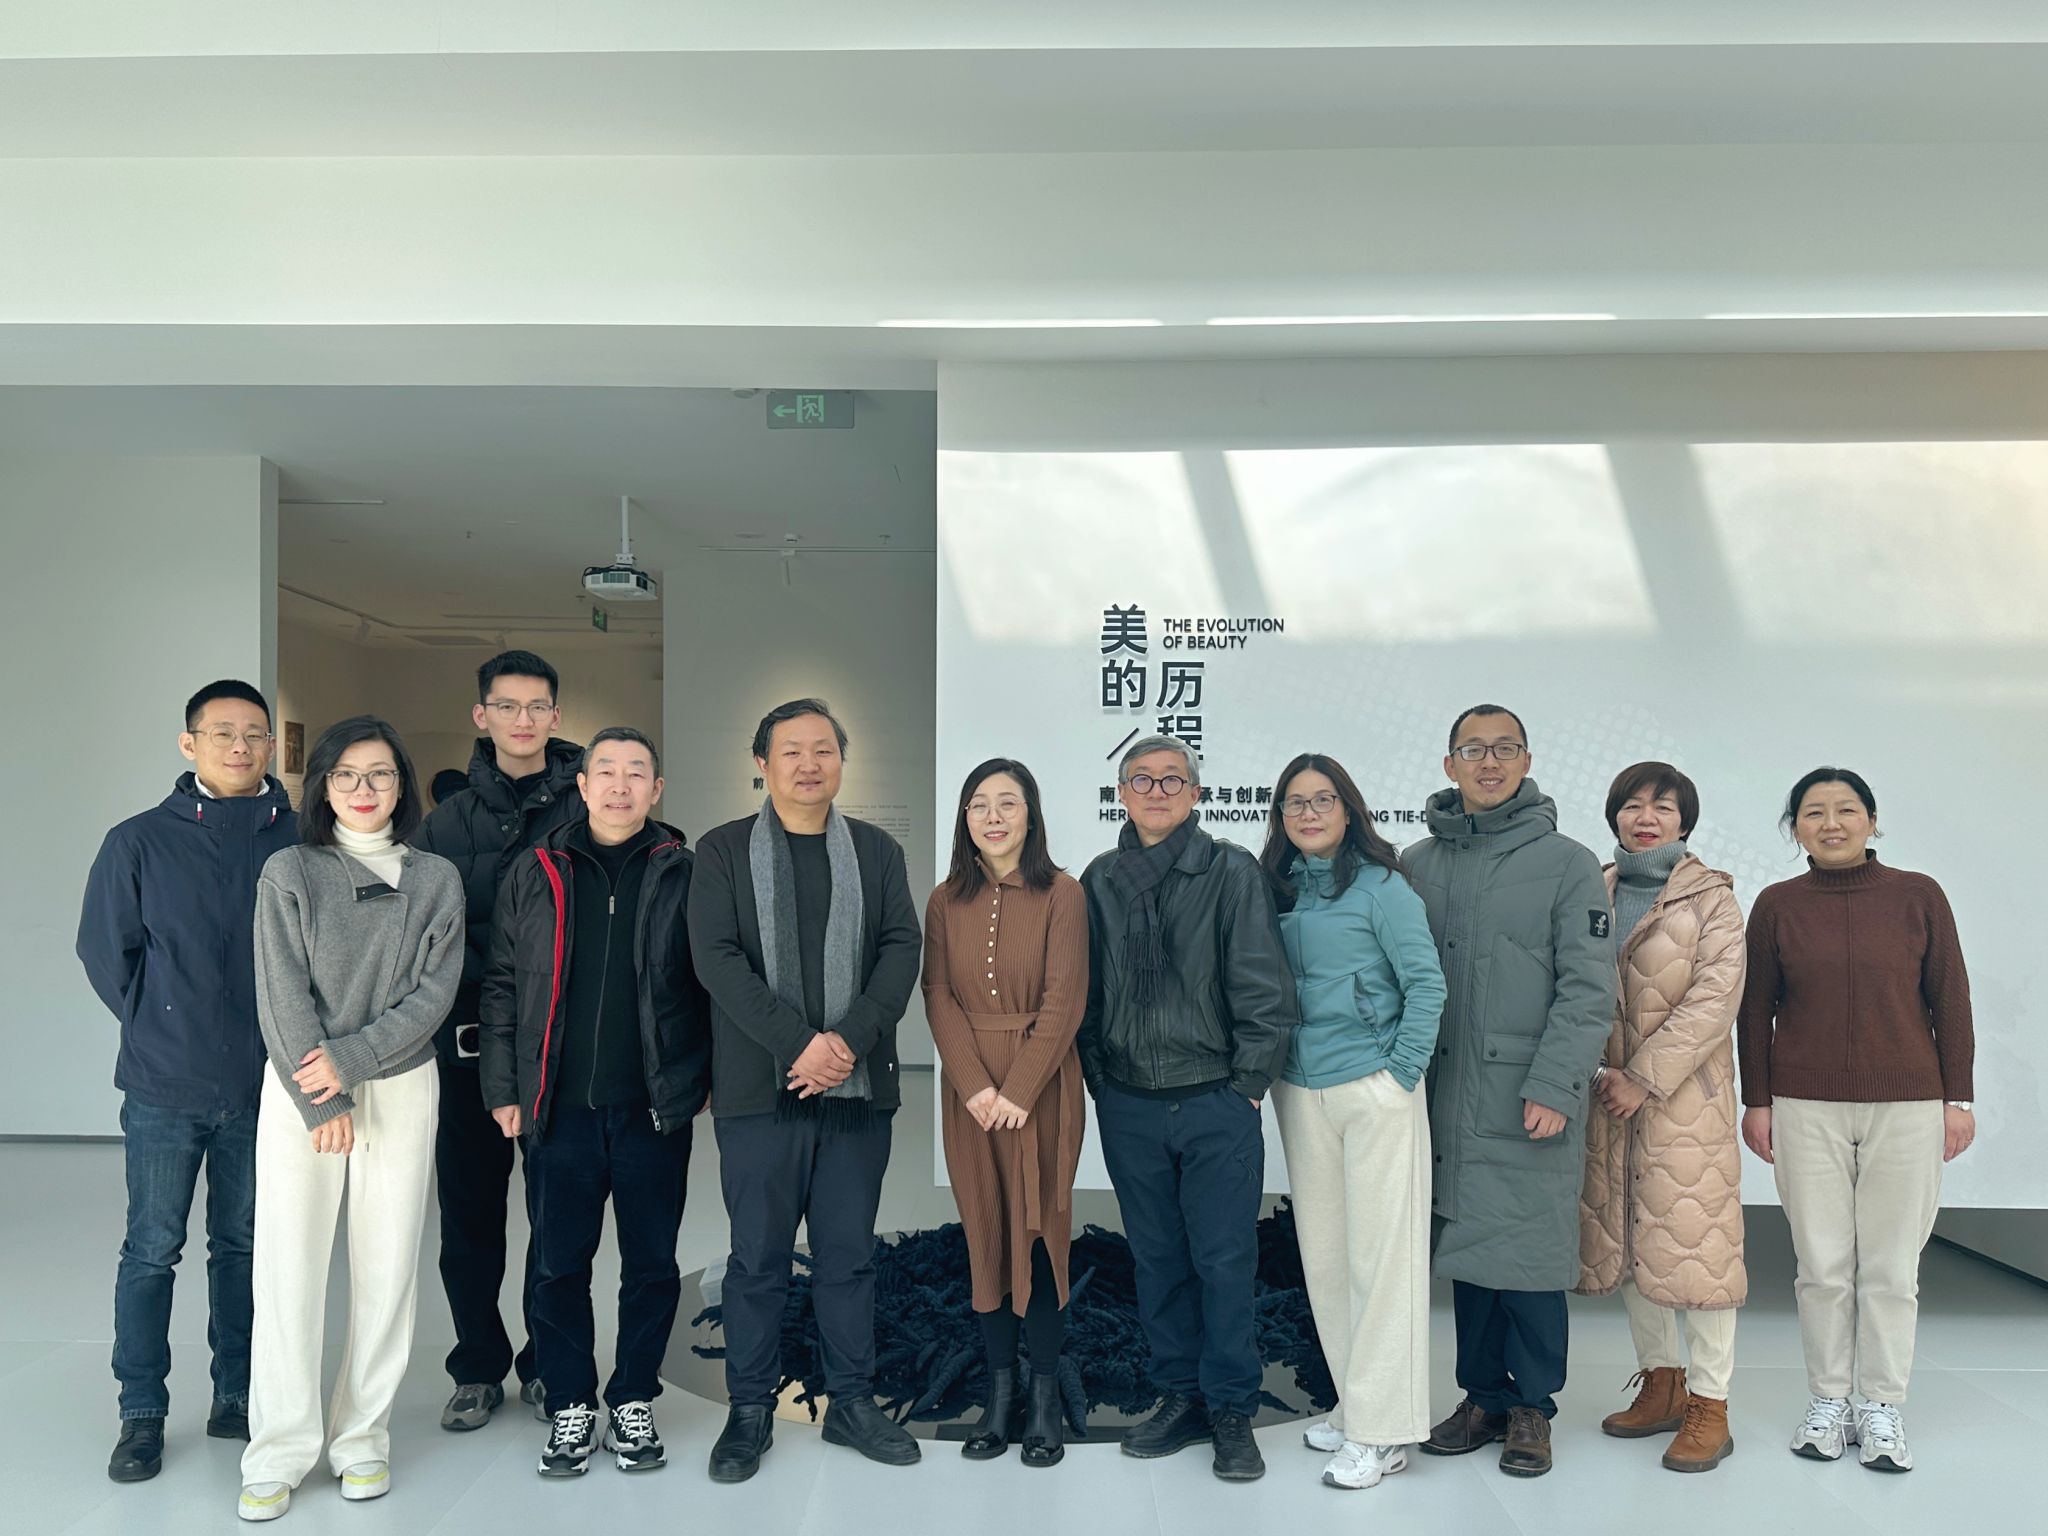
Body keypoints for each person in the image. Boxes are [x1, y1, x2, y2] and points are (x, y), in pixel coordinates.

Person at [687, 699, 923, 1480]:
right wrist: (801, 1045)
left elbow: (900, 950)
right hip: (760, 1092)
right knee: (756, 1258)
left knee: (848, 1257)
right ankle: (750, 1409)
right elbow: (717, 959)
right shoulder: (722, 851)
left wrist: (846, 1042)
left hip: (857, 1095)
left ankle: (851, 1402)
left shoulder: (877, 853)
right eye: (791, 750)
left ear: (842, 761)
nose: (809, 764)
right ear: (762, 763)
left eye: (824, 749)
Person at [237, 717, 464, 1522]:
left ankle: (362, 1438)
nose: (364, 790)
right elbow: (280, 991)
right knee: (289, 1269)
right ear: (323, 786)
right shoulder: (289, 871)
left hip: (401, 1085)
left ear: (403, 785)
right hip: (301, 1086)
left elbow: (435, 994)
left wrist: (355, 1061)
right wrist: (323, 1097)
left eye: (380, 775)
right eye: (346, 775)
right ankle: (279, 1449)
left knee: (387, 1267)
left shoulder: (436, 878)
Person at [78, 680, 298, 1484]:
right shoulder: (137, 841)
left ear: (270, 745)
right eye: (222, 733)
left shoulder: (301, 841)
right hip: (164, 1086)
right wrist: (160, 1022)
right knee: (151, 1249)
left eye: (254, 734)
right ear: (189, 744)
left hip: (266, 1087)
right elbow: (106, 952)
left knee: (243, 1247)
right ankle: (141, 1412)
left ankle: (236, 1395)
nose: (240, 747)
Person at [480, 727, 712, 1479]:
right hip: (558, 1108)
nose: (619, 784)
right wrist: (504, 1088)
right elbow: (503, 983)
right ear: (581, 786)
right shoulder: (536, 869)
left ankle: (634, 1396)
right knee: (558, 1265)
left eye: (635, 772)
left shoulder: (685, 872)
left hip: (653, 1108)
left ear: (656, 789)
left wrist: (701, 1079)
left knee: (651, 1265)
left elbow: (712, 985)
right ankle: (571, 1401)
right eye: (604, 770)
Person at [1738, 767, 1975, 1474]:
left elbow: (1951, 998)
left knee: (1893, 1267)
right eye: (1814, 812)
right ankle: (1829, 1400)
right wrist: (1758, 1100)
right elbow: (1754, 1010)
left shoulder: (1918, 895)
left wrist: (1958, 1100)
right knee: (1822, 1266)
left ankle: (1882, 1405)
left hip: (1908, 1103)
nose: (1831, 823)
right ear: (1795, 828)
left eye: (1846, 810)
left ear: (1872, 821)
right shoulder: (1777, 905)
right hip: (1803, 1103)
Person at [1403, 704, 1614, 1479]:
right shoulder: (1418, 862)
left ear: (1527, 761)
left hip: (1523, 1092)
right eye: (1473, 749)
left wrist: (1557, 1082)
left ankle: (1532, 1408)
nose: (1488, 762)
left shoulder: (1568, 863)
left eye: (1504, 749)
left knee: (1527, 1253)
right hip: (1440, 1091)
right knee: (1470, 1250)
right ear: (1449, 763)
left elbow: (1589, 989)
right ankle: (1482, 1398)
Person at [1079, 734, 1294, 1483]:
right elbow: (1085, 990)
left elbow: (1264, 986)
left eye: (1173, 780)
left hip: (1213, 1099)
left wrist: (1248, 1085)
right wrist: (1100, 1079)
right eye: (1142, 779)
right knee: (1157, 1258)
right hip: (1130, 1102)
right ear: (1122, 793)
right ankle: (1179, 1396)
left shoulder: (1229, 871)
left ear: (1196, 794)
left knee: (1225, 1260)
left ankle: (1231, 1409)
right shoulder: (1100, 879)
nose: (1157, 791)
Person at [1259, 753, 1443, 1492]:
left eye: (1323, 799)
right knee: (1328, 1259)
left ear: (1348, 809)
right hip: (1301, 1090)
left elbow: (1425, 984)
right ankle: (1356, 1405)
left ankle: (1384, 1432)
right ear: (1280, 817)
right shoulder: (1277, 891)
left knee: (1383, 1261)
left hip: (1373, 1089)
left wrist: (1399, 1076)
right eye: (1295, 803)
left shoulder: (1382, 887)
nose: (1308, 813)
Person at [412, 650, 584, 1431]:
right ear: (481, 715)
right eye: (507, 706)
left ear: (555, 716)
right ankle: (477, 1366)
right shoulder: (443, 824)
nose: (523, 720)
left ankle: (548, 1364)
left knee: (558, 1218)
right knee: (470, 1220)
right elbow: (418, 939)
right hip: (467, 1053)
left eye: (536, 706)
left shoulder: (586, 807)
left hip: (560, 1052)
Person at [1575, 762, 1746, 1474]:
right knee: (1630, 1240)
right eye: (1633, 805)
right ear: (1615, 815)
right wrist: (1597, 1075)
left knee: (1698, 1249)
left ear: (1685, 821)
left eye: (1663, 807)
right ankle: (1662, 1382)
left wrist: (1642, 1078)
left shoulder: (1713, 899)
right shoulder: (1592, 890)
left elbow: (1714, 1000)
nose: (1646, 818)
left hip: (1683, 1104)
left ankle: (1711, 1403)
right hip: (1605, 1096)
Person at [922, 759, 1089, 1468]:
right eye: (979, 805)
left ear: (1030, 814)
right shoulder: (944, 900)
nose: (993, 817)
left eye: (1007, 804)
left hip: (1040, 1089)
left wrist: (1017, 1090)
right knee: (985, 1233)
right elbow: (937, 994)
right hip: (970, 1096)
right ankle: (999, 1397)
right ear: (965, 819)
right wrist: (974, 1086)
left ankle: (1044, 1397)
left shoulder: (1063, 893)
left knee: (1041, 1233)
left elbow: (1065, 999)